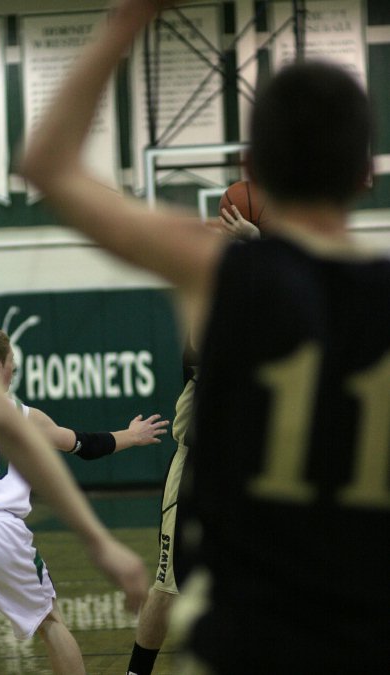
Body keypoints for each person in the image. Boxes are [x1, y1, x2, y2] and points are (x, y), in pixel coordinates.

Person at [20, 0, 390, 673]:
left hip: (249, 642)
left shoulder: (217, 268)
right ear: (366, 172)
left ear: (254, 164)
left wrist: (130, 19)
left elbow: (47, 166)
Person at [0, 325, 167, 675]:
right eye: (12, 363)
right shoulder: (22, 414)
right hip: (1, 531)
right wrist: (130, 436)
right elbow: (83, 445)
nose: (14, 372)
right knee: (50, 623)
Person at [126, 210, 260, 675]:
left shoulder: (275, 311)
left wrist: (255, 243)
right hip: (197, 468)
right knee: (167, 584)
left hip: (251, 470)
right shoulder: (207, 318)